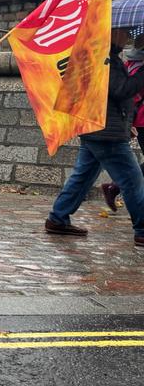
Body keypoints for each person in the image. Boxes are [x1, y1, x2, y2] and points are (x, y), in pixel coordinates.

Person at [45, 27, 144, 249]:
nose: (128, 37)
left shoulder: (100, 55)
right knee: (132, 179)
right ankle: (142, 230)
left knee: (83, 176)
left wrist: (126, 123)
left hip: (96, 128)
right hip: (105, 133)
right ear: (112, 32)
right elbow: (121, 89)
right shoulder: (104, 58)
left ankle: (58, 218)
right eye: (124, 32)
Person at [101, 31, 144, 211]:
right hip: (141, 119)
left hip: (134, 120)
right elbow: (127, 92)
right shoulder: (134, 66)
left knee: (85, 170)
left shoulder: (129, 63)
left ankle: (114, 187)